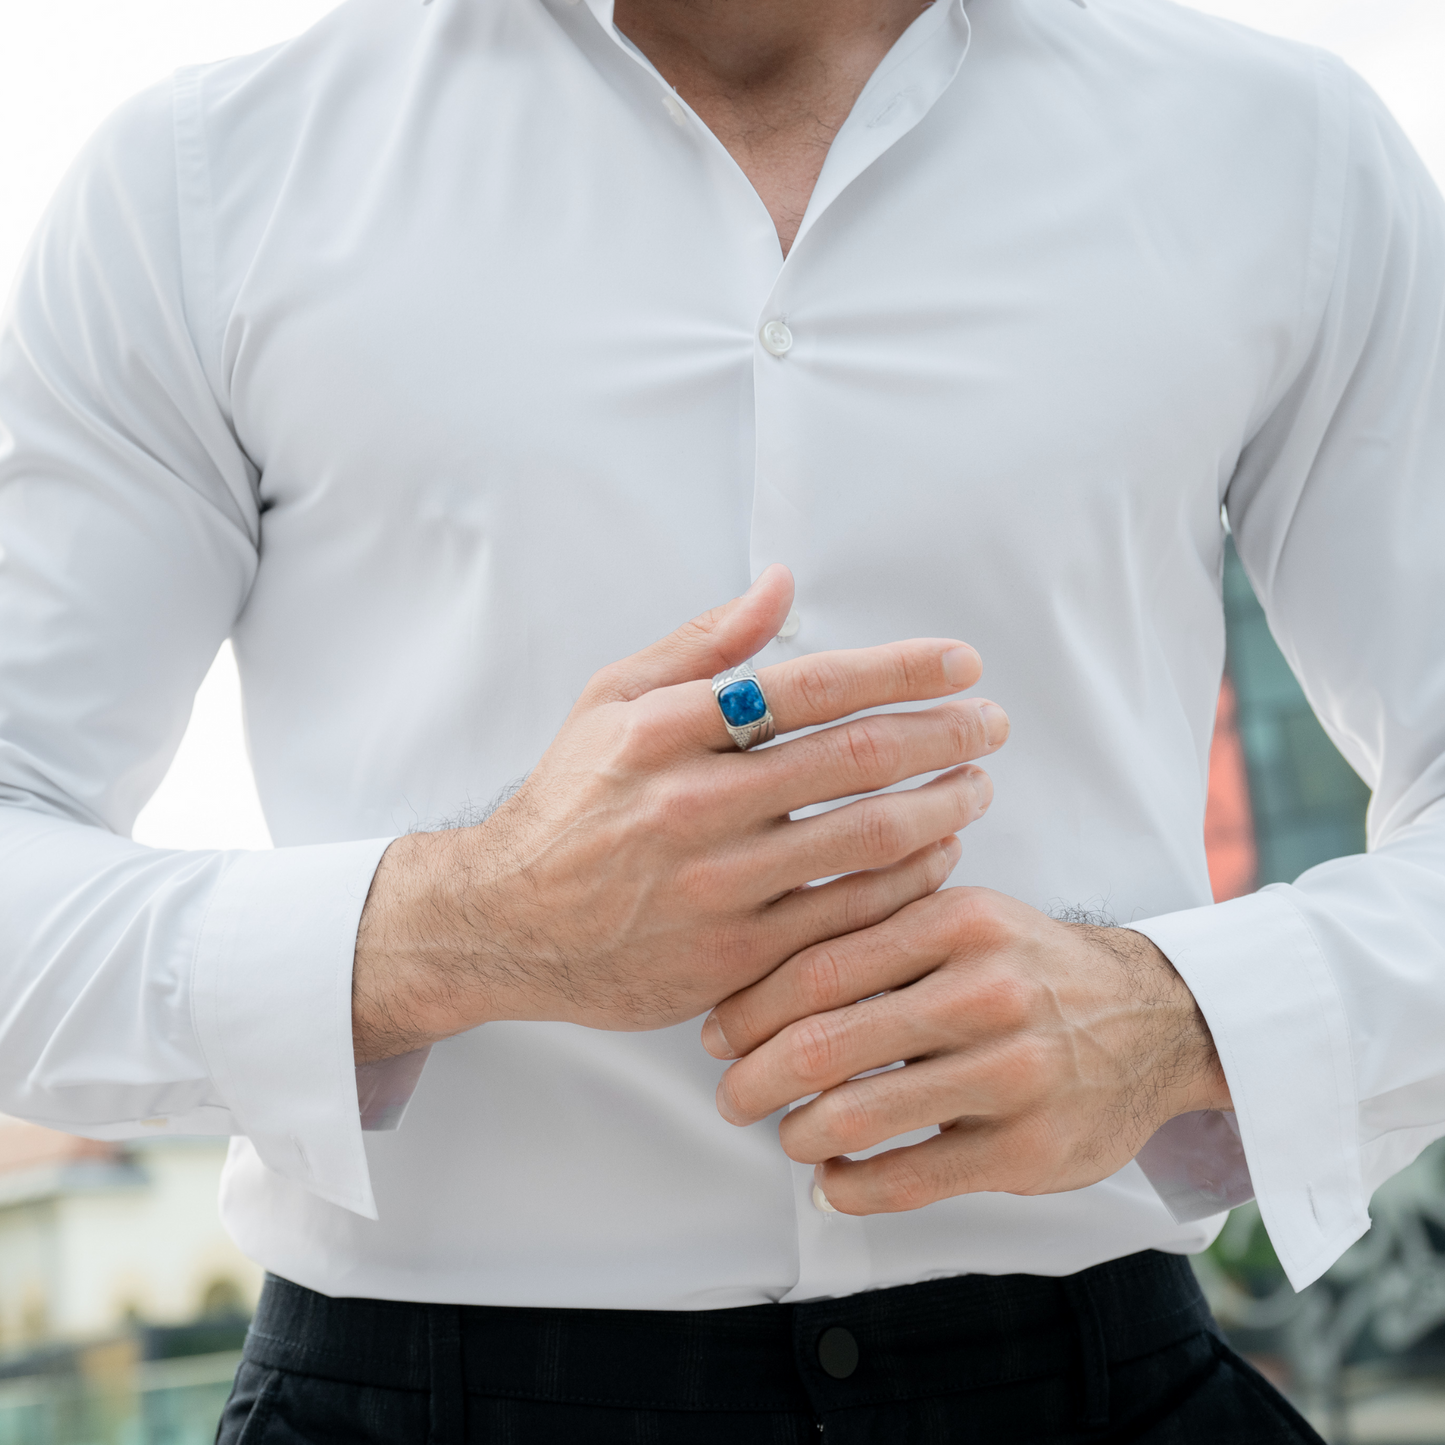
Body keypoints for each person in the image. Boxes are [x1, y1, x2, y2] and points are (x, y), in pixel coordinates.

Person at [2, 0, 1443, 1437]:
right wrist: (459, 924)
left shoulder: (1284, 156)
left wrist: (1176, 1020)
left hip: (1103, 1382)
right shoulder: (197, 189)